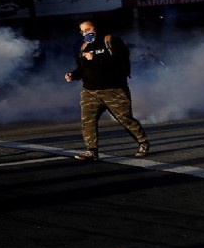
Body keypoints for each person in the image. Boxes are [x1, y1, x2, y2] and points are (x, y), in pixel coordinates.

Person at [64, 20, 150, 161]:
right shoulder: (84, 47)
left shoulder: (112, 41)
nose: (86, 33)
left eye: (88, 29)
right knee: (88, 121)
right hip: (90, 91)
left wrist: (95, 58)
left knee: (124, 119)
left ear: (96, 27)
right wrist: (73, 75)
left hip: (113, 90)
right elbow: (82, 68)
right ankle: (92, 150)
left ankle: (143, 143)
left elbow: (118, 62)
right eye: (83, 31)